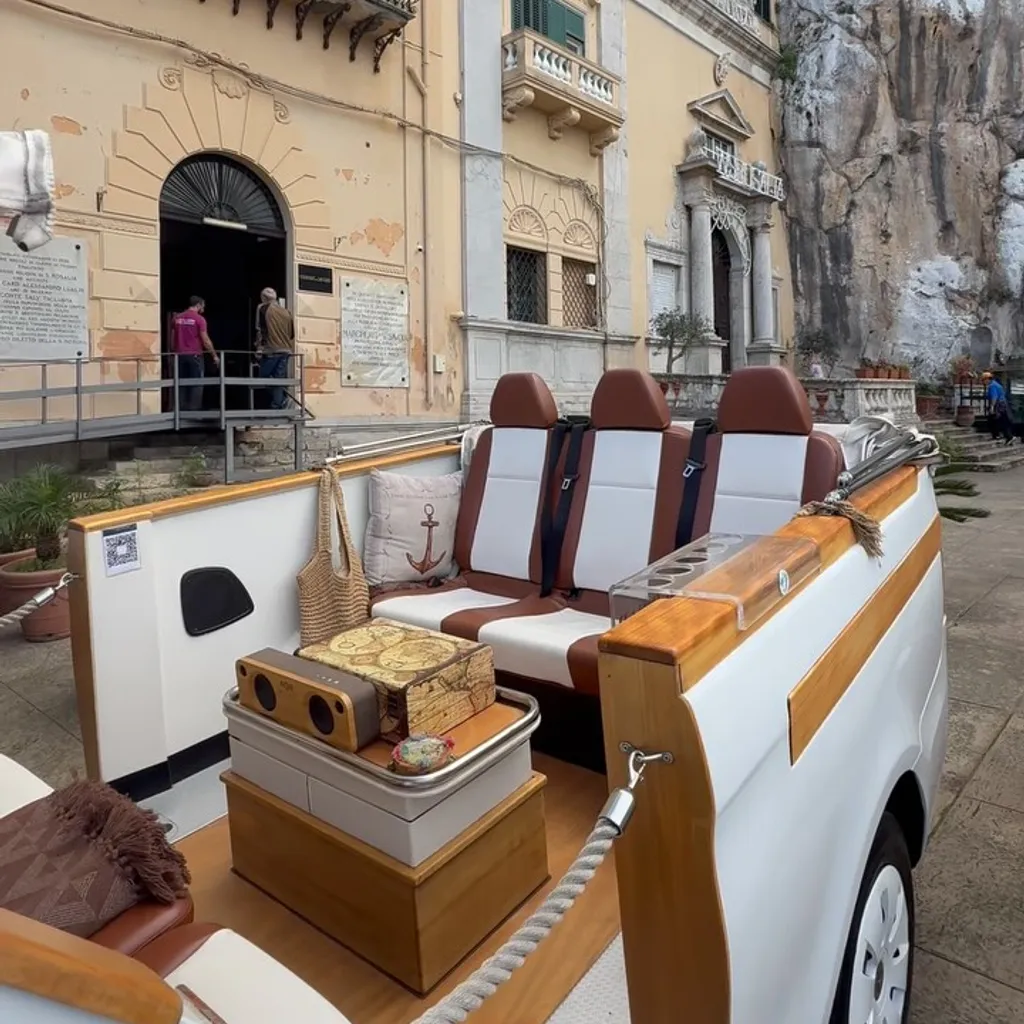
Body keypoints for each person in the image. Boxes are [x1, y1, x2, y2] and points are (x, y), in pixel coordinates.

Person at [171, 296, 219, 413]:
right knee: (196, 384)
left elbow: (172, 338)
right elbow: (205, 340)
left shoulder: (177, 318)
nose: (204, 308)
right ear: (198, 305)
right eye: (203, 306)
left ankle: (180, 411)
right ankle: (194, 412)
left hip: (179, 356)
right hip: (195, 356)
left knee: (180, 383)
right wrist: (214, 355)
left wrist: (173, 351)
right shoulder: (199, 319)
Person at [255, 287, 296, 411]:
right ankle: (278, 404)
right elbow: (291, 334)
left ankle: (281, 401)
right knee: (279, 379)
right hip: (286, 350)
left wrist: (259, 348)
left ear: (264, 298)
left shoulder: (262, 308)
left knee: (263, 377)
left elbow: (260, 330)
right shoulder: (286, 312)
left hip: (271, 350)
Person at [983, 370, 1014, 444]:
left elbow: (994, 397)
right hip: (1002, 404)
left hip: (998, 405)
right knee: (999, 420)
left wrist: (992, 407)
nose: (984, 382)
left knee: (995, 420)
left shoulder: (992, 386)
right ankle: (1005, 436)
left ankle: (1004, 436)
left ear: (987, 379)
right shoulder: (996, 384)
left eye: (984, 380)